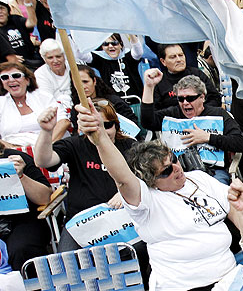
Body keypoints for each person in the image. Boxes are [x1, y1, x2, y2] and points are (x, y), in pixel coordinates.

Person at [74, 100, 243, 291]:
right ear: (150, 181)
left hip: (228, 281)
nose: (176, 168)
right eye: (165, 171)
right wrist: (101, 138)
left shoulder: (199, 179)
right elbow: (123, 177)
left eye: (173, 159)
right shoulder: (146, 203)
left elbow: (234, 209)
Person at [34, 102, 140, 254]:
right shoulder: (74, 144)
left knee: (141, 251)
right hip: (82, 222)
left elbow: (148, 177)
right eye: (94, 125)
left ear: (116, 126)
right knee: (67, 260)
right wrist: (46, 131)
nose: (101, 130)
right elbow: (43, 161)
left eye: (106, 125)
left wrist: (126, 192)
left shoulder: (130, 145)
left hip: (122, 218)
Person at [141, 69, 243, 184]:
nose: (185, 103)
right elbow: (147, 122)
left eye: (190, 98)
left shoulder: (218, 114)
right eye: (181, 99)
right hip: (179, 172)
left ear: (202, 97)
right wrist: (149, 87)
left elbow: (240, 143)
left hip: (213, 171)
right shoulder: (172, 113)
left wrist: (208, 137)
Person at [0, 145, 51, 271]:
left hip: (23, 220)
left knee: (22, 249)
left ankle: (33, 283)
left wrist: (21, 176)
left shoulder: (13, 159)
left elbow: (44, 198)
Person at [0, 62, 69, 147]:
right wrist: (11, 148)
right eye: (4, 77)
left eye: (16, 75)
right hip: (12, 150)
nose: (11, 80)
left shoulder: (44, 97)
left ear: (27, 80)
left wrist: (45, 147)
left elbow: (63, 122)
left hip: (50, 146)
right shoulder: (1, 103)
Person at [69, 65, 137, 132]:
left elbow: (133, 125)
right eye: (77, 83)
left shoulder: (115, 102)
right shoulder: (76, 109)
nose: (83, 87)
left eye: (85, 82)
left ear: (94, 81)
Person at [153, 44, 220, 110]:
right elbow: (155, 110)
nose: (179, 59)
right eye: (173, 57)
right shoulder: (159, 81)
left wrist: (199, 111)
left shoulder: (197, 74)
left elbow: (215, 98)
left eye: (181, 55)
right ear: (163, 61)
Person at [78, 33, 144, 97]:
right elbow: (80, 55)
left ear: (120, 45)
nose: (110, 46)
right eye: (106, 44)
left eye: (114, 43)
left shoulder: (128, 56)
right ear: (102, 47)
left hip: (136, 100)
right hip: (113, 102)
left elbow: (139, 52)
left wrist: (130, 32)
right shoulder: (99, 59)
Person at [0, 0, 41, 70]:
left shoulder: (15, 19)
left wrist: (28, 2)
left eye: (2, 8)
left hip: (32, 59)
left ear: (8, 11)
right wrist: (9, 58)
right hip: (10, 65)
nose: (0, 12)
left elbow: (31, 23)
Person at [34, 39, 71, 117]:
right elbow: (47, 101)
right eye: (50, 58)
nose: (55, 61)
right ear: (44, 59)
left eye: (58, 56)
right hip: (56, 112)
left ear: (64, 56)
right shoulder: (40, 74)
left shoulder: (74, 67)